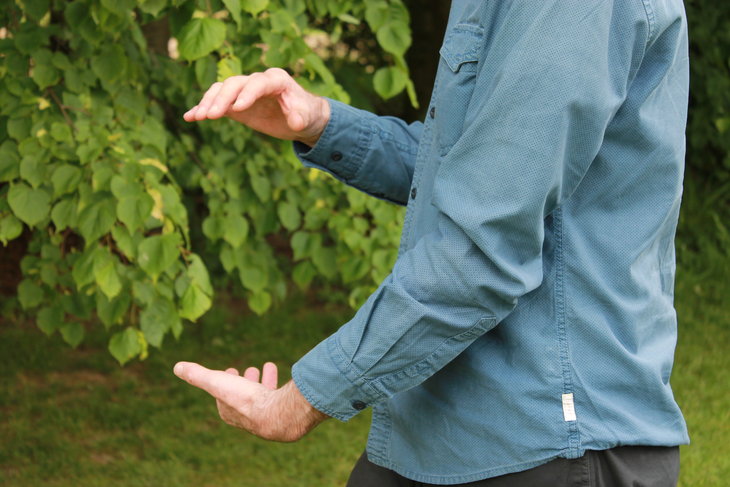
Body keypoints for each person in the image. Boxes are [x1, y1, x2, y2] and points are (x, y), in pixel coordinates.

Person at [174, 0, 691, 485]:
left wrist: (295, 404)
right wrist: (320, 124)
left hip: (546, 437)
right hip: (455, 431)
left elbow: (481, 251)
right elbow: (479, 171)